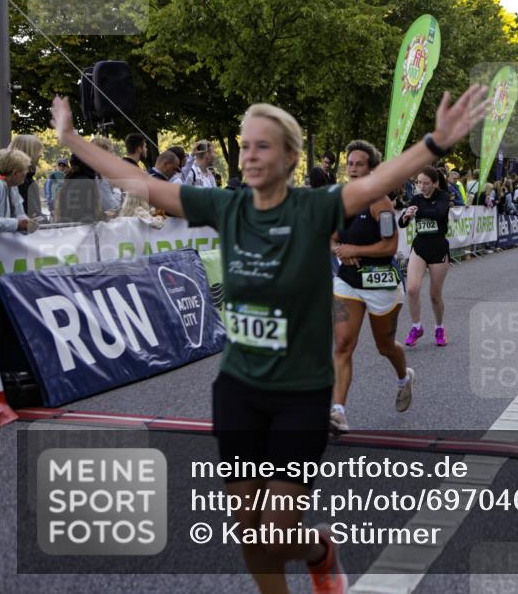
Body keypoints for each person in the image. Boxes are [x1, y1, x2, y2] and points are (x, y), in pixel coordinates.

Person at [50, 84, 486, 594]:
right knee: (251, 533)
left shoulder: (315, 208)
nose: (251, 154)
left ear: (291, 158)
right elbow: (143, 185)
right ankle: (311, 557)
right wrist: (72, 138)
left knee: (278, 529)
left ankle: (319, 551)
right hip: (238, 391)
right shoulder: (227, 207)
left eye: (264, 146)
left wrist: (435, 142)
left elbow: (381, 181)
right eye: (246, 144)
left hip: (300, 394)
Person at [331, 141, 413, 434]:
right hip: (348, 281)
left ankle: (404, 377)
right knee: (342, 345)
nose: (352, 169)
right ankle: (338, 411)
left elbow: (390, 246)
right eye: (349, 164)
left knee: (385, 346)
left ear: (371, 169)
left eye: (359, 164)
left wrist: (355, 247)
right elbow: (330, 235)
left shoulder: (381, 202)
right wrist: (341, 247)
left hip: (381, 282)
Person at [399, 166, 453, 347]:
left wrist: (417, 212)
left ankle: (439, 328)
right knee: (412, 289)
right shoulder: (416, 199)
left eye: (426, 183)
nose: (422, 186)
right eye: (419, 182)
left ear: (435, 183)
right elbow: (402, 222)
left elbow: (438, 213)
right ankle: (417, 327)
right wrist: (406, 217)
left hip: (438, 248)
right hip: (420, 246)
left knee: (435, 295)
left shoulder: (443, 197)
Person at [55, 153, 108, 224]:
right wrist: (105, 216)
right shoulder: (85, 183)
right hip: (78, 232)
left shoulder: (70, 180)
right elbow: (82, 216)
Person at [0, 148, 38, 233]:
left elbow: (19, 213)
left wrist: (26, 221)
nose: (26, 172)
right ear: (15, 173)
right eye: (24, 169)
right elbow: (17, 222)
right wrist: (17, 224)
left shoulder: (13, 186)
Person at [8, 134, 43, 218]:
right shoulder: (21, 181)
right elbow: (31, 215)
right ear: (28, 152)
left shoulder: (23, 178)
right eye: (37, 150)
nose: (41, 155)